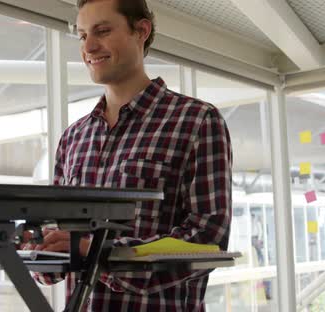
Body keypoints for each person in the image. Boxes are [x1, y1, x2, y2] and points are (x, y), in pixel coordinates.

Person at [26, 0, 233, 310]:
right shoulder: (73, 137)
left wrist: (92, 250)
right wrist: (30, 247)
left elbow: (206, 240)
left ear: (141, 30)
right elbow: (59, 251)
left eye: (103, 31)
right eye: (82, 36)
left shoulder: (197, 121)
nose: (89, 47)